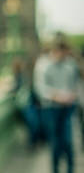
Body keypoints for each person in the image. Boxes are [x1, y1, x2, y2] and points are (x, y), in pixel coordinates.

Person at [40, 38, 79, 173]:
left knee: (68, 141)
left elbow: (75, 85)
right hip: (51, 108)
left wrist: (71, 95)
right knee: (55, 142)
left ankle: (70, 169)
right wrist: (56, 96)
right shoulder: (44, 66)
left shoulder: (70, 65)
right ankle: (55, 169)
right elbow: (41, 89)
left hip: (67, 108)